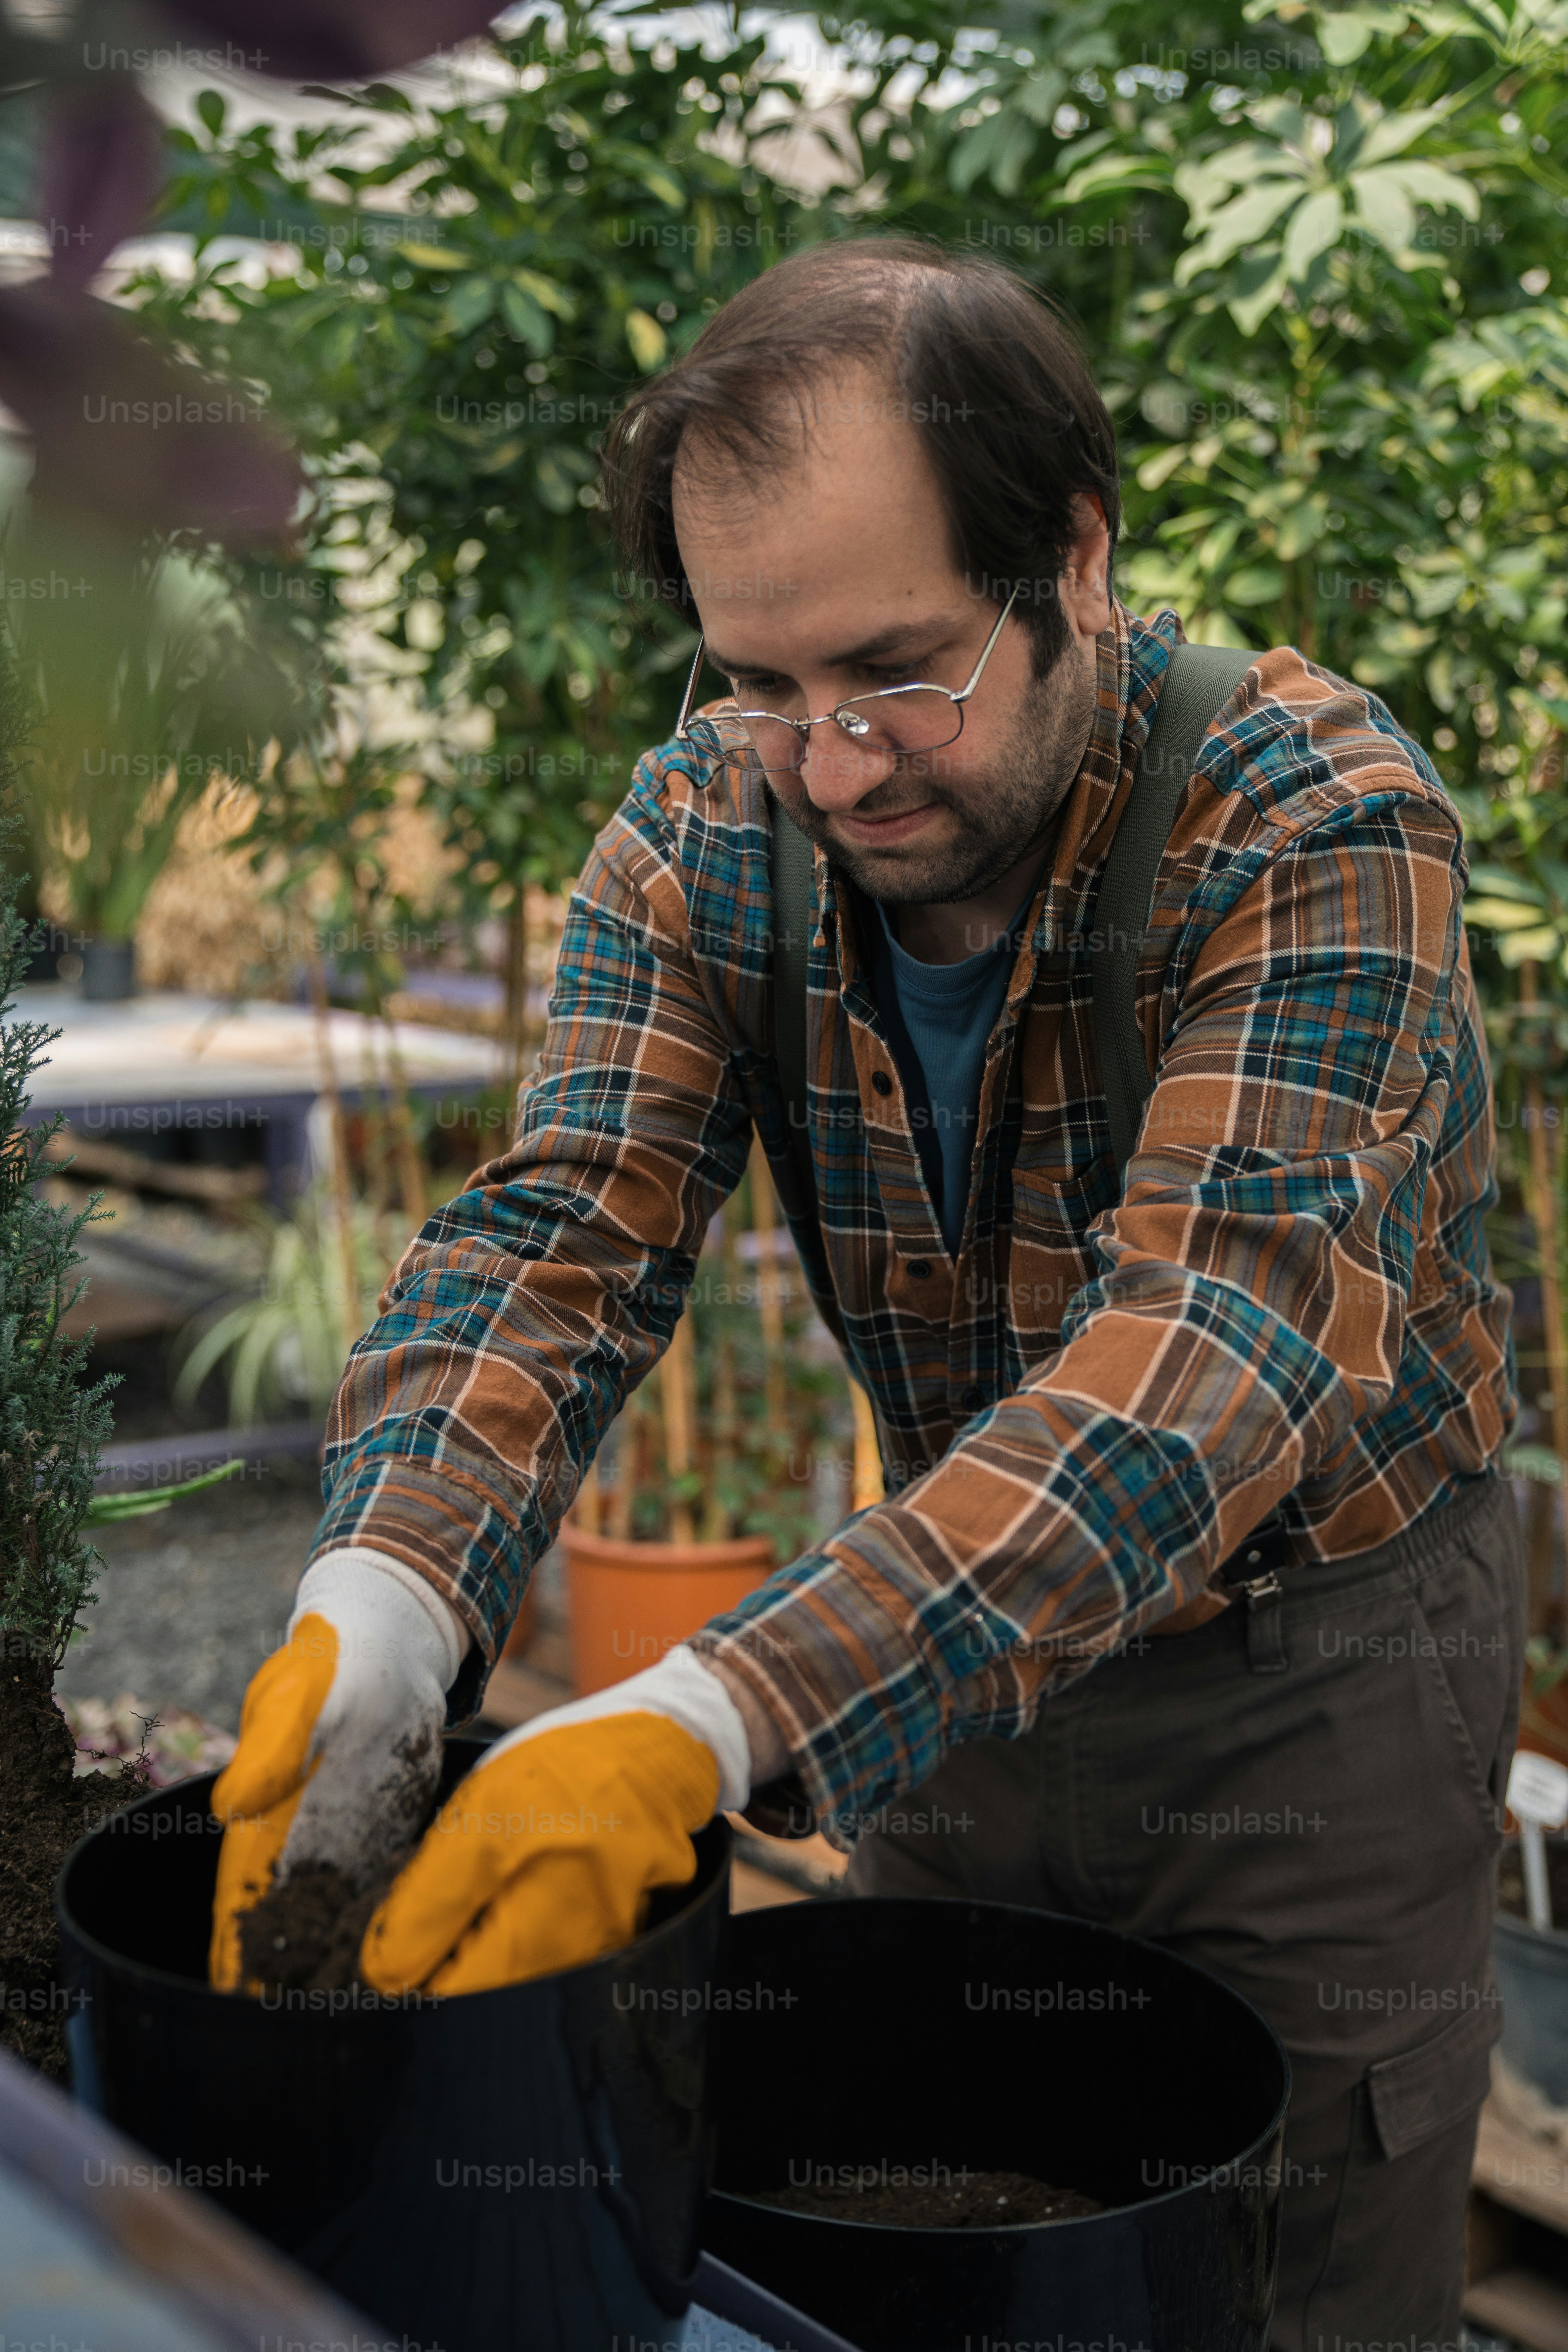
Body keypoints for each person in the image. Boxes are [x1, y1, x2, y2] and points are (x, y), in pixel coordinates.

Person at [210, 236, 1520, 2350]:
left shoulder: (1307, 823)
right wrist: (384, 1600)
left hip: (1316, 1677)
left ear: (1074, 559)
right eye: (761, 683)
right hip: (945, 1643)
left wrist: (709, 1712)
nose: (830, 767)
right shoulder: (709, 832)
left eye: (899, 670)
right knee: (937, 2214)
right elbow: (562, 1238)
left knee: (1282, 2265)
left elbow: (1209, 1355)